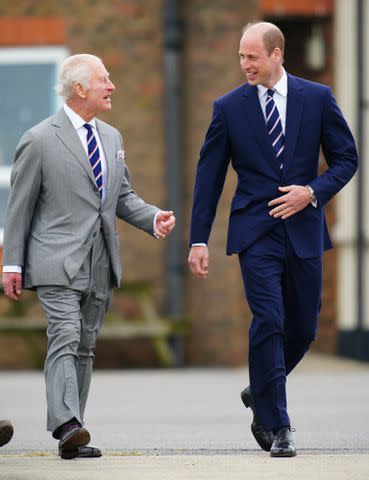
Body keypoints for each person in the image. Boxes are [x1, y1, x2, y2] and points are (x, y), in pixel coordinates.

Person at [188, 22, 358, 457]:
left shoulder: (316, 98)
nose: (244, 65)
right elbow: (209, 178)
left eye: (252, 57)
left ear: (276, 54)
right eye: (241, 57)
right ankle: (278, 425)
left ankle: (260, 388)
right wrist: (198, 240)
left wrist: (312, 192)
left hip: (304, 229)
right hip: (255, 231)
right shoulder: (228, 108)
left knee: (303, 326)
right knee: (269, 319)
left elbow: (346, 158)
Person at [2, 54, 175, 459]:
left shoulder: (112, 138)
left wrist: (153, 218)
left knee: (85, 343)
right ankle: (67, 423)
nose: (111, 86)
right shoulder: (40, 139)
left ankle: (70, 433)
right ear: (80, 89)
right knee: (65, 333)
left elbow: (122, 197)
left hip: (101, 261)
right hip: (54, 259)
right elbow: (19, 206)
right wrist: (12, 263)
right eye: (104, 79)